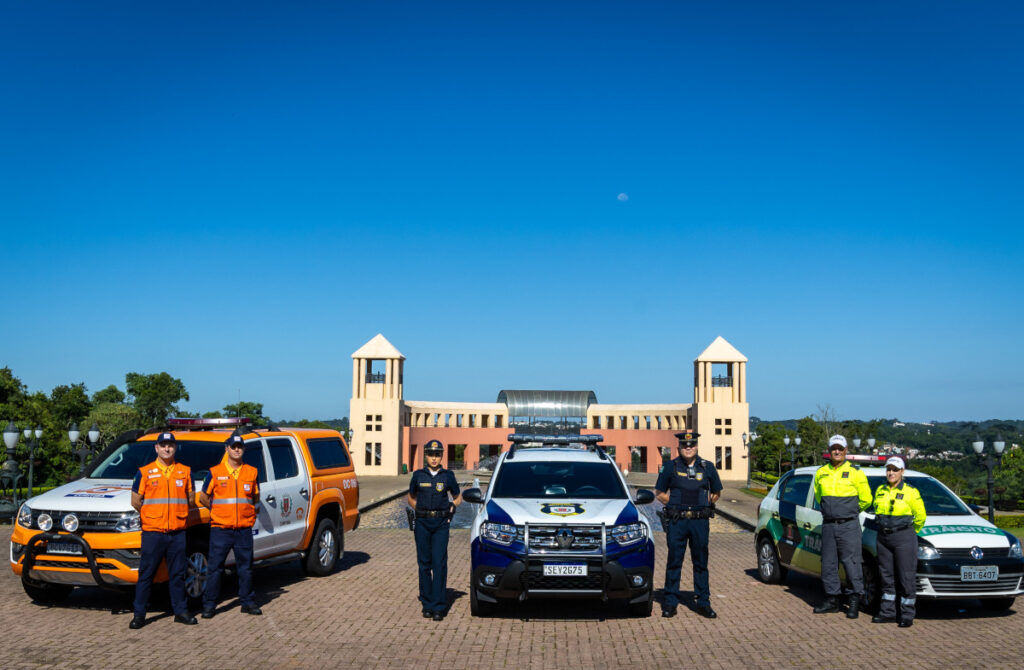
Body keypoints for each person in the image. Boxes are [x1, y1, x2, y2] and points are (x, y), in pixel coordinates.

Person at [129, 431, 197, 628]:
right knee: (146, 574)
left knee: (177, 574)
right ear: (156, 448)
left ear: (175, 448)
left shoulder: (185, 471)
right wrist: (153, 514)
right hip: (153, 532)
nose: (167, 448)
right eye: (163, 445)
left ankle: (181, 611)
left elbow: (190, 499)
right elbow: (135, 501)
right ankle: (139, 614)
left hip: (177, 531)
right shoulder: (144, 471)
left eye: (171, 445)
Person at [655, 429, 722, 619]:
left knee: (701, 563)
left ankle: (703, 603)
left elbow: (717, 491)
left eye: (691, 444)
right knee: (674, 561)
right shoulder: (670, 467)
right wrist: (674, 505)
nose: (688, 447)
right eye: (685, 445)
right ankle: (670, 602)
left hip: (700, 521)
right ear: (679, 447)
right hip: (678, 521)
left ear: (696, 446)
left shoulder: (707, 467)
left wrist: (708, 503)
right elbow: (659, 492)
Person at [199, 433, 262, 618]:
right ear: (227, 449)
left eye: (239, 447)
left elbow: (255, 497)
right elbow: (204, 498)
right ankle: (209, 605)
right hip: (221, 529)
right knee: (215, 568)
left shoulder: (251, 472)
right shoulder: (215, 472)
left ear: (244, 449)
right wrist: (219, 512)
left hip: (243, 528)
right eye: (233, 447)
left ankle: (247, 602)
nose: (236, 450)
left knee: (246, 567)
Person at [812, 435, 872, 619]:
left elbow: (866, 499)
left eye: (840, 448)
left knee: (852, 564)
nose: (836, 451)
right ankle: (832, 600)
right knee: (828, 564)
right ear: (829, 451)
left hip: (848, 525)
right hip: (829, 525)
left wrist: (848, 511)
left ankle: (854, 600)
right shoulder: (821, 472)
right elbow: (818, 496)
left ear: (846, 451)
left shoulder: (856, 473)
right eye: (833, 448)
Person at [407, 439, 461, 621]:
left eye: (437, 455)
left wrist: (452, 507)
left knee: (439, 563)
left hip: (440, 524)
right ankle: (427, 604)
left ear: (441, 456)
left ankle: (439, 606)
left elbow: (457, 497)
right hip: (422, 522)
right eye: (431, 454)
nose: (434, 458)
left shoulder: (447, 476)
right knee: (424, 564)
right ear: (426, 456)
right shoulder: (418, 475)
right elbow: (411, 497)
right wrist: (420, 510)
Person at [871, 456, 926, 627]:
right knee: (886, 576)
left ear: (902, 472)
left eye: (895, 470)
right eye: (889, 469)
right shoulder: (880, 490)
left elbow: (920, 517)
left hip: (904, 537)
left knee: (905, 576)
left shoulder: (911, 492)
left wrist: (909, 533)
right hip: (883, 537)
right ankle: (887, 612)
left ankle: (907, 615)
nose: (891, 473)